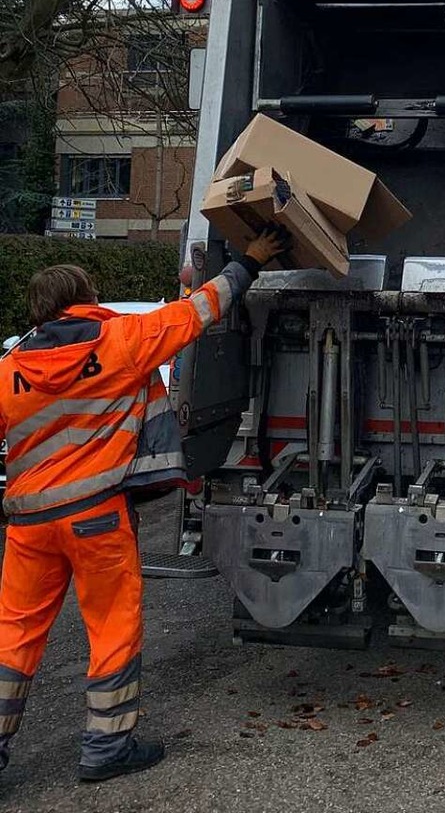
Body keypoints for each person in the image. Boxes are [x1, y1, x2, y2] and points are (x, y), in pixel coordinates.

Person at [0, 229, 285, 782]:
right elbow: (200, 309)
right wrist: (250, 260)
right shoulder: (120, 341)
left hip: (29, 523)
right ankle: (107, 748)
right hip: (96, 517)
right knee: (111, 626)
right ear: (85, 297)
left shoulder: (10, 370)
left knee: (13, 636)